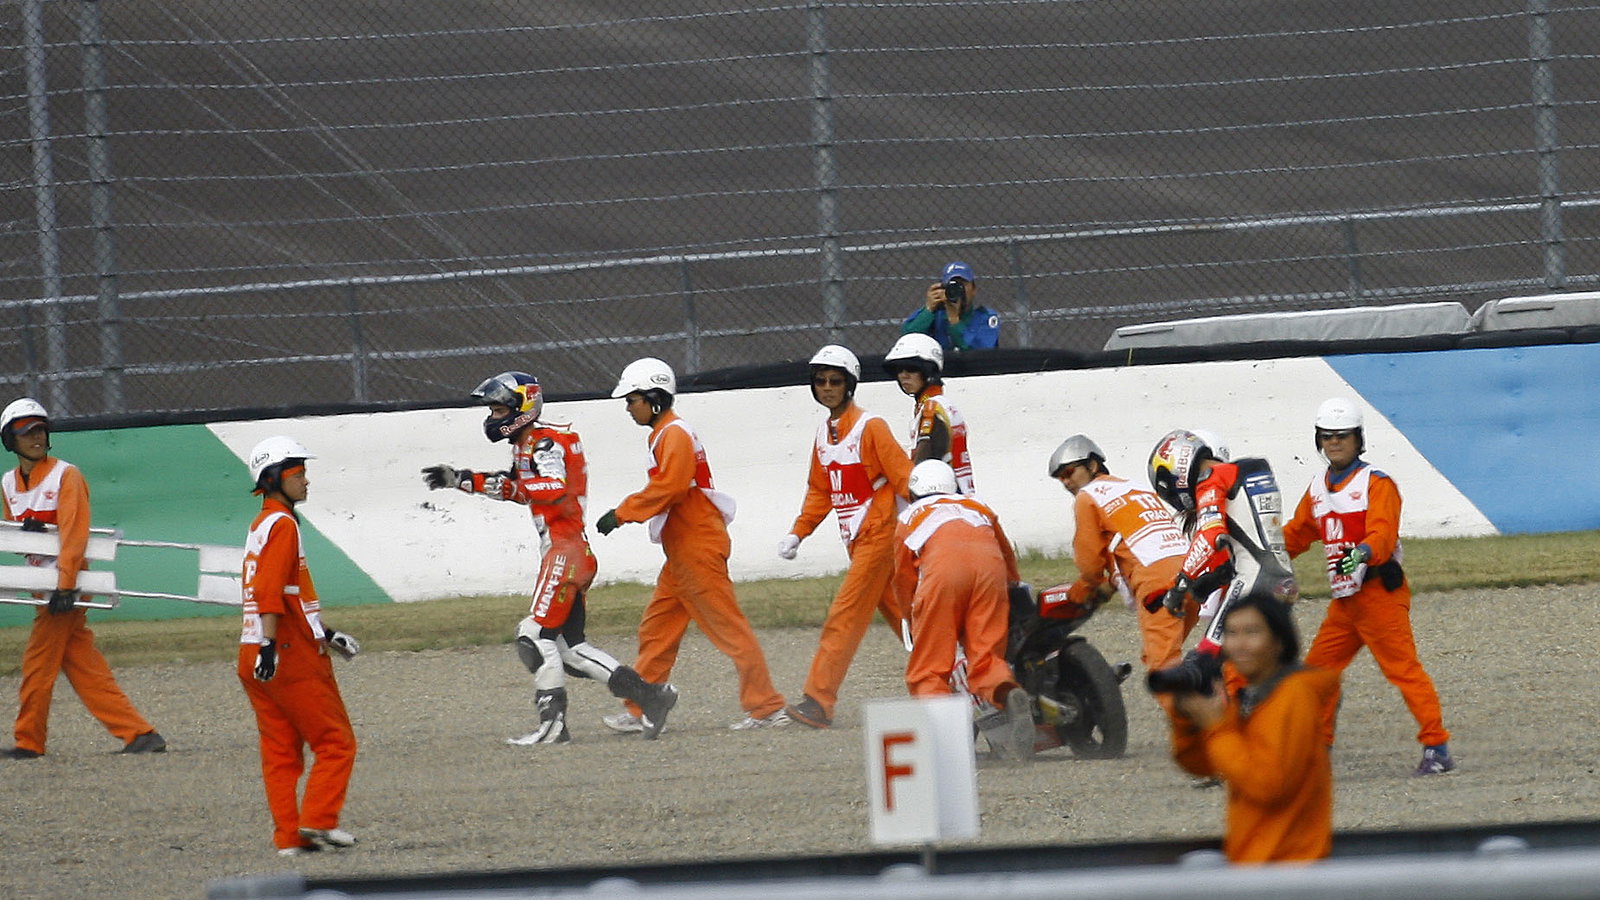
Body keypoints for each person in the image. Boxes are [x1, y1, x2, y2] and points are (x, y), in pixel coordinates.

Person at [421, 371, 678, 744]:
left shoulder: (545, 443)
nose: (492, 417)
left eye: (498, 408)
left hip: (565, 551)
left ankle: (553, 725)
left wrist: (513, 481)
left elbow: (552, 487)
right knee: (570, 649)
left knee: (533, 635)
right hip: (571, 550)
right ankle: (653, 697)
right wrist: (461, 478)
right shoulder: (529, 443)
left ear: (522, 408)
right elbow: (521, 489)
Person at [594, 358, 789, 730]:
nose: (628, 407)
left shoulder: (674, 433)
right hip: (683, 552)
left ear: (654, 398)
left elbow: (672, 486)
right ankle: (643, 706)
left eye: (632, 399)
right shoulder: (665, 433)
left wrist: (622, 513)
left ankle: (767, 707)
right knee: (656, 629)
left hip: (696, 549)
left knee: (730, 631)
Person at [1283, 397, 1454, 776]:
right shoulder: (1316, 488)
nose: (1334, 443)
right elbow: (1296, 535)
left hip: (1379, 595)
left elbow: (1383, 532)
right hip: (1346, 601)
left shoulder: (1378, 484)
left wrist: (1361, 554)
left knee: (1403, 670)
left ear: (1358, 439)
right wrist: (1262, 555)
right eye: (1327, 437)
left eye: (1342, 436)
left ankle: (1437, 748)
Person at [0, 398, 166, 760]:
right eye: (27, 432)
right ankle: (140, 734)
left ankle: (29, 741)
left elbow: (75, 533)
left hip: (66, 586)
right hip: (45, 586)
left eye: (41, 430)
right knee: (82, 664)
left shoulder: (67, 475)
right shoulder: (7, 483)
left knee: (38, 662)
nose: (37, 437)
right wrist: (33, 531)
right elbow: (17, 541)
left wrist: (65, 584)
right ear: (9, 440)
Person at [777, 345, 913, 729]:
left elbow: (904, 477)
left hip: (880, 536)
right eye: (820, 381)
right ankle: (958, 678)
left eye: (835, 381)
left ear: (850, 384)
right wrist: (798, 533)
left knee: (844, 616)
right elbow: (821, 490)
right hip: (858, 541)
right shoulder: (824, 433)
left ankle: (819, 701)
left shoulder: (872, 427)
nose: (827, 387)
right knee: (909, 618)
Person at [238, 436, 360, 856]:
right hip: (285, 652)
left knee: (281, 752)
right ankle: (319, 821)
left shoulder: (262, 523)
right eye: (298, 474)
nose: (306, 481)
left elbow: (285, 593)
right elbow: (270, 591)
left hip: (251, 649)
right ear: (273, 479)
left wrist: (325, 632)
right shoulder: (284, 525)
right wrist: (272, 645)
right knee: (336, 741)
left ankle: (289, 838)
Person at [1169, 592, 1339, 863]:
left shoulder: (1294, 696)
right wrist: (1187, 721)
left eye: (1252, 632)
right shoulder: (1252, 696)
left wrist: (1218, 729)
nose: (1240, 644)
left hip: (1288, 868)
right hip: (1257, 861)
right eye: (1232, 633)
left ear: (1280, 641)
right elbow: (1200, 765)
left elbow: (1267, 785)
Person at [892, 460, 1033, 761]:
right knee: (986, 657)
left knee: (929, 668)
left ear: (915, 491)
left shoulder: (910, 516)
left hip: (944, 573)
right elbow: (1006, 553)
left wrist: (911, 617)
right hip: (989, 571)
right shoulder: (978, 506)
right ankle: (1007, 692)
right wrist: (1011, 587)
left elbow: (903, 579)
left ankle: (947, 745)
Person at [1048, 433, 1196, 712]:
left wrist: (1091, 588)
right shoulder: (1134, 487)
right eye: (1060, 478)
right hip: (1193, 573)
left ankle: (1205, 739)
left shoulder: (1087, 497)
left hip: (1158, 584)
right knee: (1167, 655)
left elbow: (1091, 563)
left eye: (1069, 472)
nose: (1066, 482)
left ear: (1093, 465)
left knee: (1162, 668)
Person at [1145, 429, 1299, 697]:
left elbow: (1210, 535)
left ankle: (1231, 731)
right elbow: (1237, 548)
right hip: (1281, 580)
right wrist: (1198, 584)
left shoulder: (1213, 478)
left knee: (1206, 661)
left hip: (1254, 582)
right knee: (1260, 668)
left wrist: (1180, 584)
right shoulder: (1249, 474)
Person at [881, 332, 975, 492]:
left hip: (942, 501)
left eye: (911, 368)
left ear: (929, 371)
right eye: (899, 369)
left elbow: (922, 468)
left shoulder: (931, 409)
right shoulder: (944, 404)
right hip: (961, 497)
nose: (903, 375)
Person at [900, 261, 1001, 354]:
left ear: (974, 289)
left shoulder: (986, 317)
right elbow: (908, 340)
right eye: (952, 285)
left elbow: (981, 353)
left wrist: (954, 320)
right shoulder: (935, 315)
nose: (958, 289)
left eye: (963, 284)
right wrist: (928, 310)